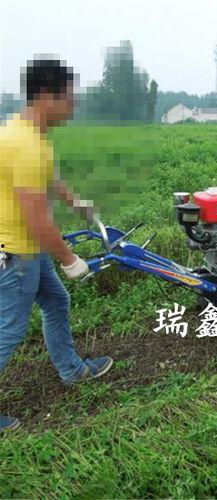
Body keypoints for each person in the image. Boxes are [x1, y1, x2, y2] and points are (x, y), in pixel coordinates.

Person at [0, 58, 113, 431]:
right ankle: (71, 369)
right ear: (47, 96)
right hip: (18, 253)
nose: (74, 104)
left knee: (55, 302)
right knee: (9, 330)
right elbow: (37, 219)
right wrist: (69, 260)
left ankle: (71, 370)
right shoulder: (27, 145)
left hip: (26, 247)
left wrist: (75, 203)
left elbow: (47, 178)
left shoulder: (24, 131)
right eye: (69, 96)